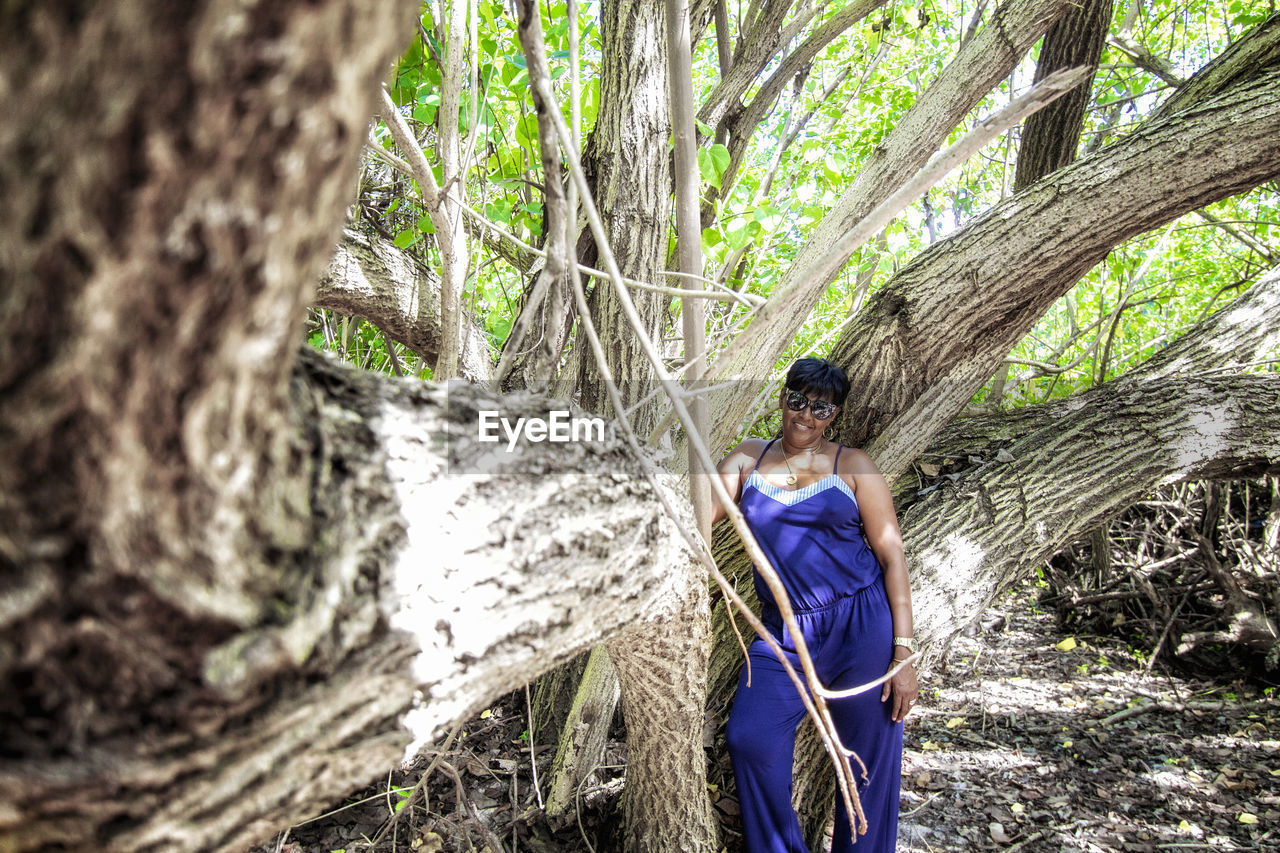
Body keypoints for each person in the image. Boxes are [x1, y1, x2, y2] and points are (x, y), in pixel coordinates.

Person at [712, 357, 918, 852]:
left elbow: (892, 555)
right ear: (782, 398)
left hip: (861, 625)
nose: (806, 415)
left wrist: (905, 650)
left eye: (821, 408)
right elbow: (697, 524)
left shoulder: (854, 466)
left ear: (835, 414)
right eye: (798, 400)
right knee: (750, 737)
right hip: (781, 631)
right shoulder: (748, 461)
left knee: (868, 761)